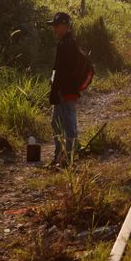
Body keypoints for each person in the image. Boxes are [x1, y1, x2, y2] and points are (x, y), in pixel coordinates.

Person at [48, 12, 81, 166]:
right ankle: (59, 155)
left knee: (68, 124)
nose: (54, 29)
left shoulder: (68, 44)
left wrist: (57, 90)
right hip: (63, 90)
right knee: (56, 123)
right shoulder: (64, 43)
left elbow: (63, 71)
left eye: (56, 25)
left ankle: (68, 158)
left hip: (66, 91)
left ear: (64, 26)